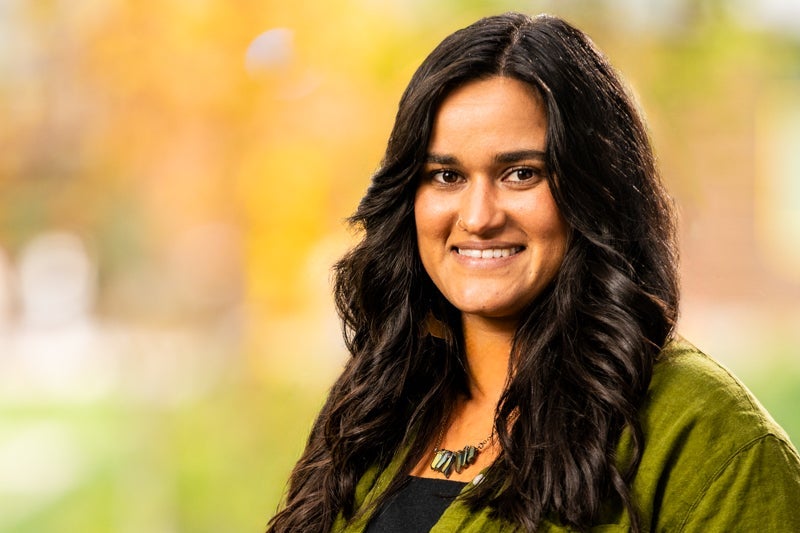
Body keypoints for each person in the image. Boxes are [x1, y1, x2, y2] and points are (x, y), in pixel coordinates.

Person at [267, 12, 800, 532]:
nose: (478, 217)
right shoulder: (377, 406)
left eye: (521, 174)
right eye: (446, 175)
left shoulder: (709, 437)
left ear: (594, 190)